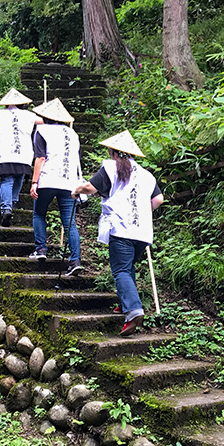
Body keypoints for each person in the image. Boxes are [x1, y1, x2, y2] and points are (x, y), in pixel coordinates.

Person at [72, 130, 164, 336]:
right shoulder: (147, 175)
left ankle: (133, 311)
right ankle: (125, 304)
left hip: (122, 229)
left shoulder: (110, 168)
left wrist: (77, 190)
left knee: (121, 271)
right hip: (142, 233)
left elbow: (91, 188)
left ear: (113, 152)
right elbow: (158, 200)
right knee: (127, 267)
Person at [28, 98, 84, 277]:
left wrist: (34, 182)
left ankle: (41, 249)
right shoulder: (72, 134)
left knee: (39, 213)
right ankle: (75, 260)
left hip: (48, 179)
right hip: (69, 183)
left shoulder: (41, 130)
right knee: (69, 222)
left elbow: (40, 158)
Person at [0, 88, 43, 227]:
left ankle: (6, 208)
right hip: (24, 153)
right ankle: (13, 203)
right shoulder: (29, 115)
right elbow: (43, 121)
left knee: (6, 180)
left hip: (5, 153)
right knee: (19, 177)